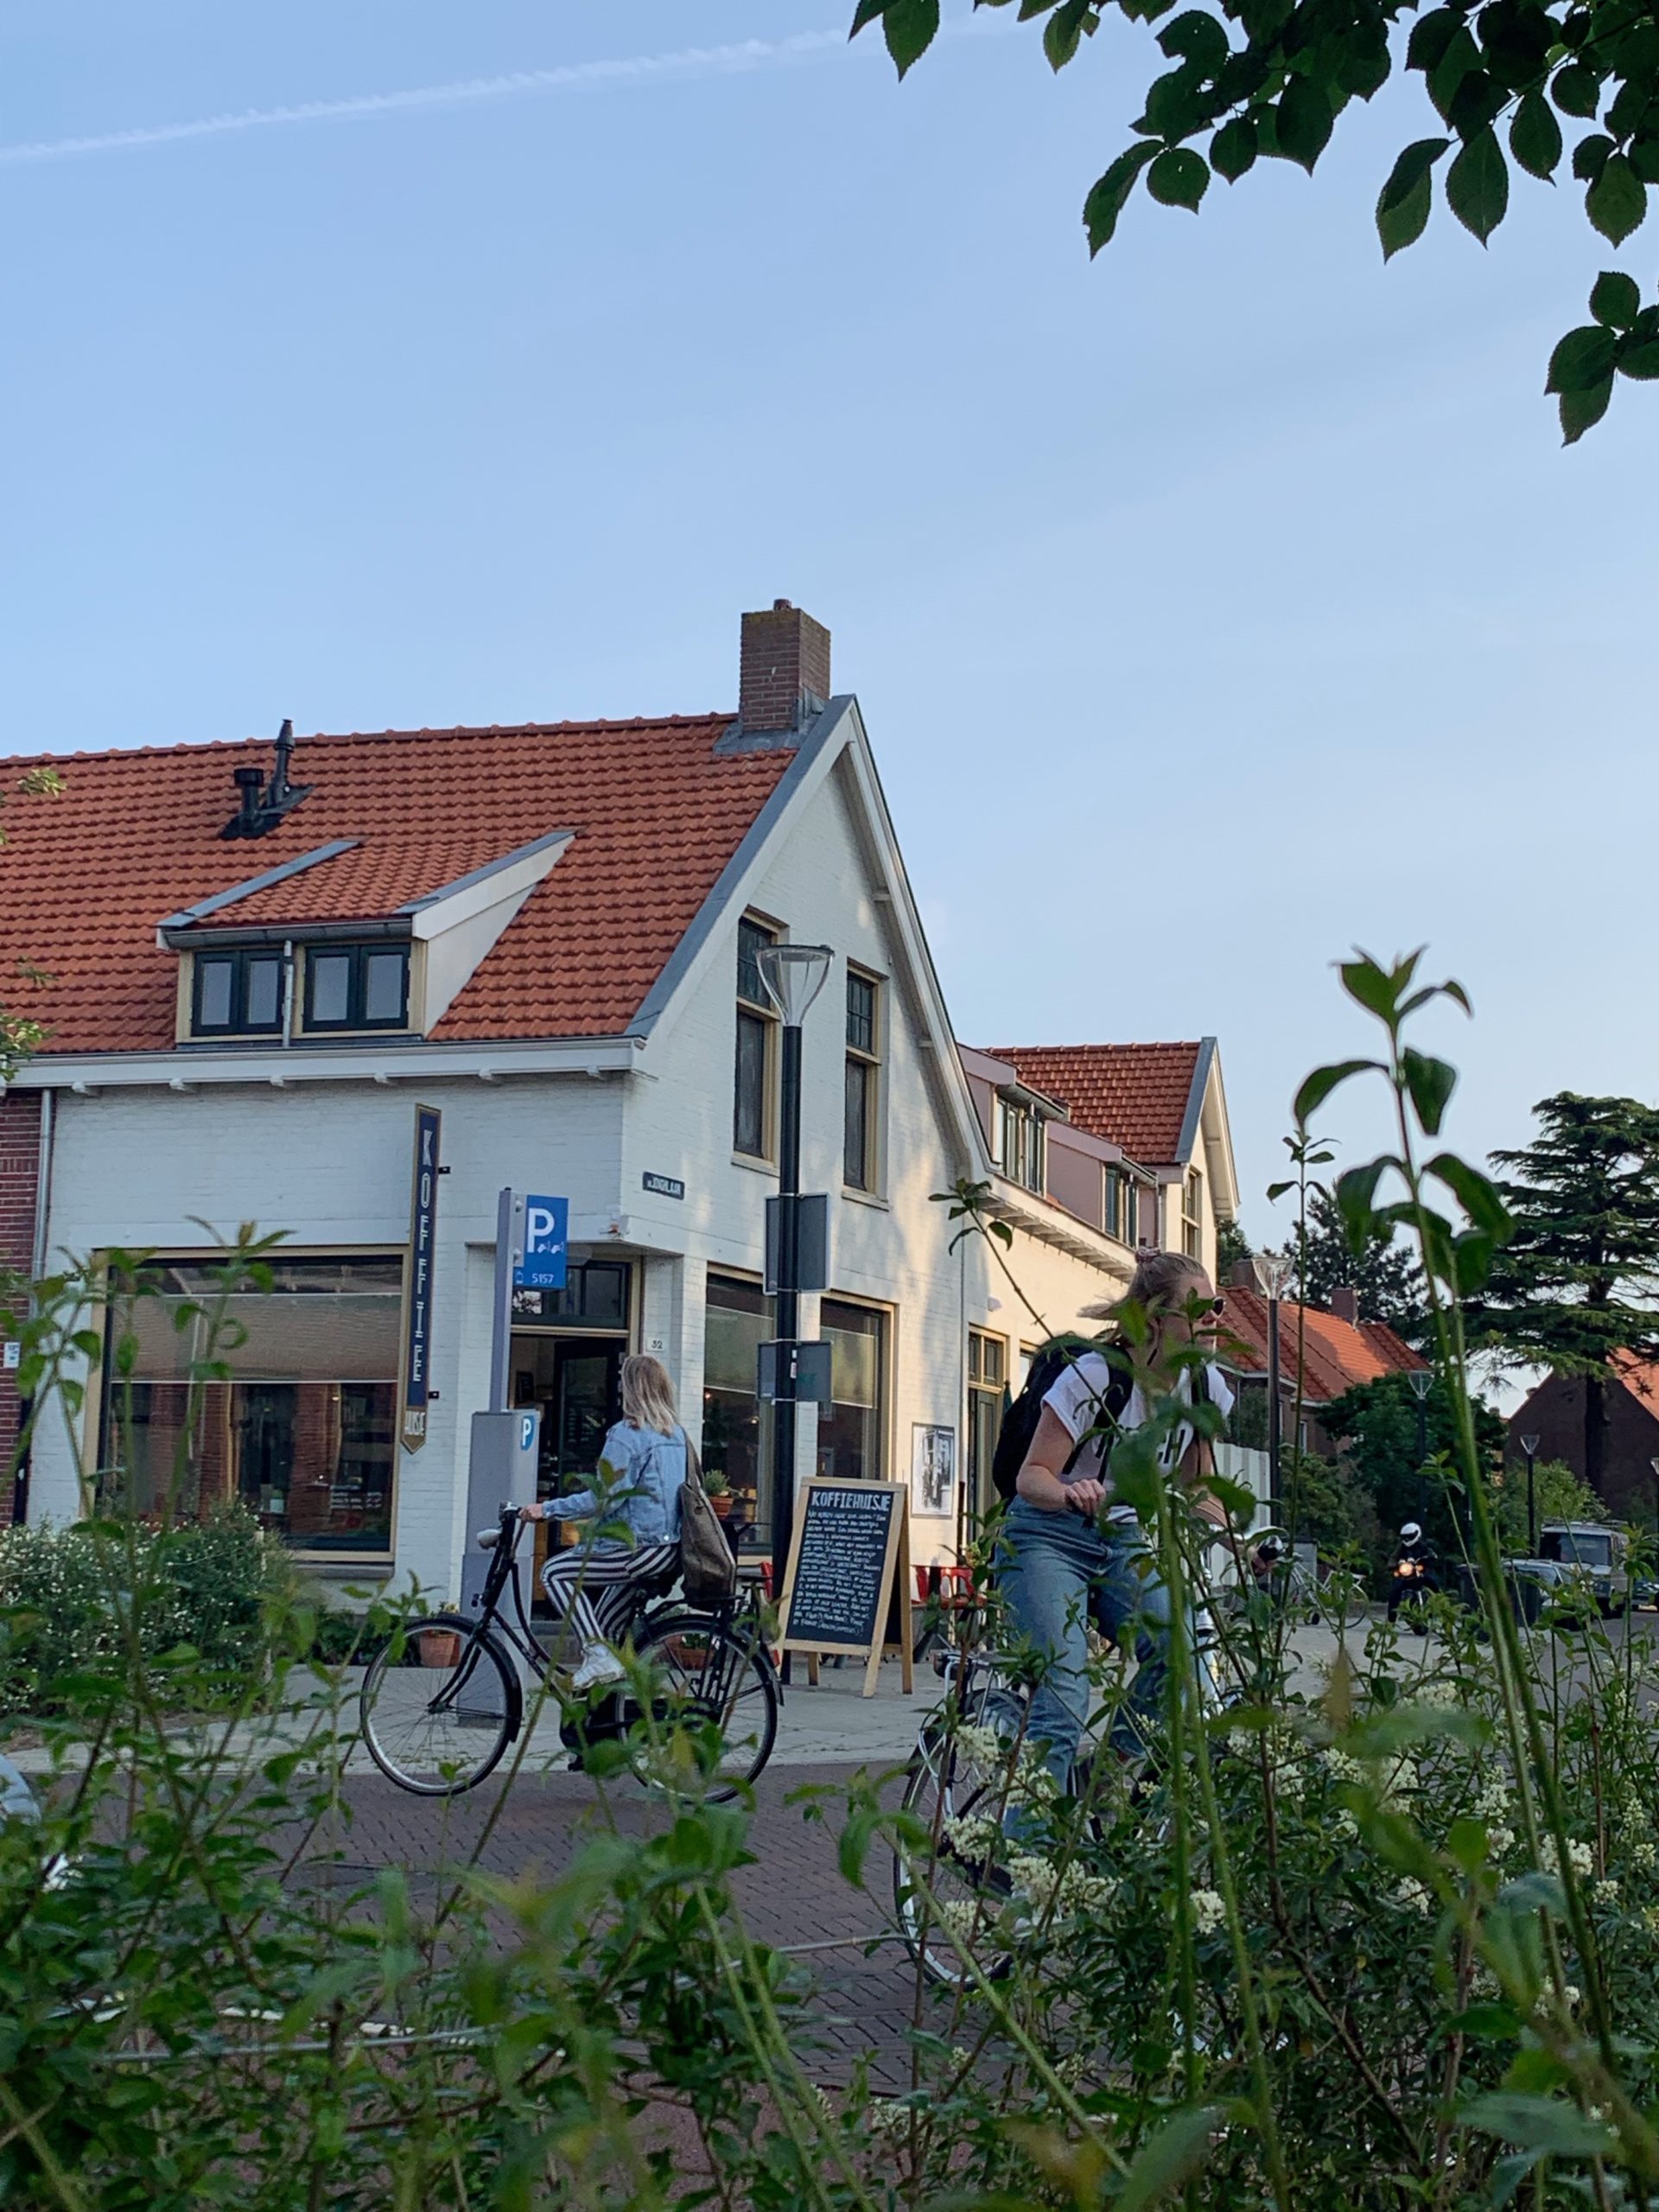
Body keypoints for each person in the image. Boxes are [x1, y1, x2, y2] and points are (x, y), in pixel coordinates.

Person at [997, 1250, 1234, 1791]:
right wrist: (1067, 1491)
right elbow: (1031, 1477)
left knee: (1182, 1655)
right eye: (1197, 1309)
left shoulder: (1203, 1388)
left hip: (1122, 1539)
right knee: (1063, 1694)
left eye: (1216, 1307)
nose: (1212, 1320)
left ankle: (1097, 1786)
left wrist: (1240, 1544)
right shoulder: (1095, 1376)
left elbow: (1198, 1487)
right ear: (1154, 1320)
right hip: (1046, 1536)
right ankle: (1029, 1839)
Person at [519, 1353, 687, 1692]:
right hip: (668, 1552)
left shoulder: (628, 1435)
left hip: (638, 1549)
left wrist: (546, 1509)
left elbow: (604, 1499)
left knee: (553, 1573)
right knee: (606, 1632)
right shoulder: (676, 1435)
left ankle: (597, 1657)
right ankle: (609, 1712)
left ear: (631, 1388)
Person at [1388, 1519, 1434, 1623]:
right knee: (1394, 1591)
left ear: (1417, 1534)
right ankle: (1391, 1619)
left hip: (1420, 1571)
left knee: (1432, 1582)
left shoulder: (1423, 1546)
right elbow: (1393, 1557)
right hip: (1406, 1574)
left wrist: (1430, 1557)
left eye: (1410, 1536)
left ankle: (1441, 1605)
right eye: (1405, 1537)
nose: (1407, 1539)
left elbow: (1431, 1554)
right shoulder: (1401, 1547)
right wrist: (1392, 1565)